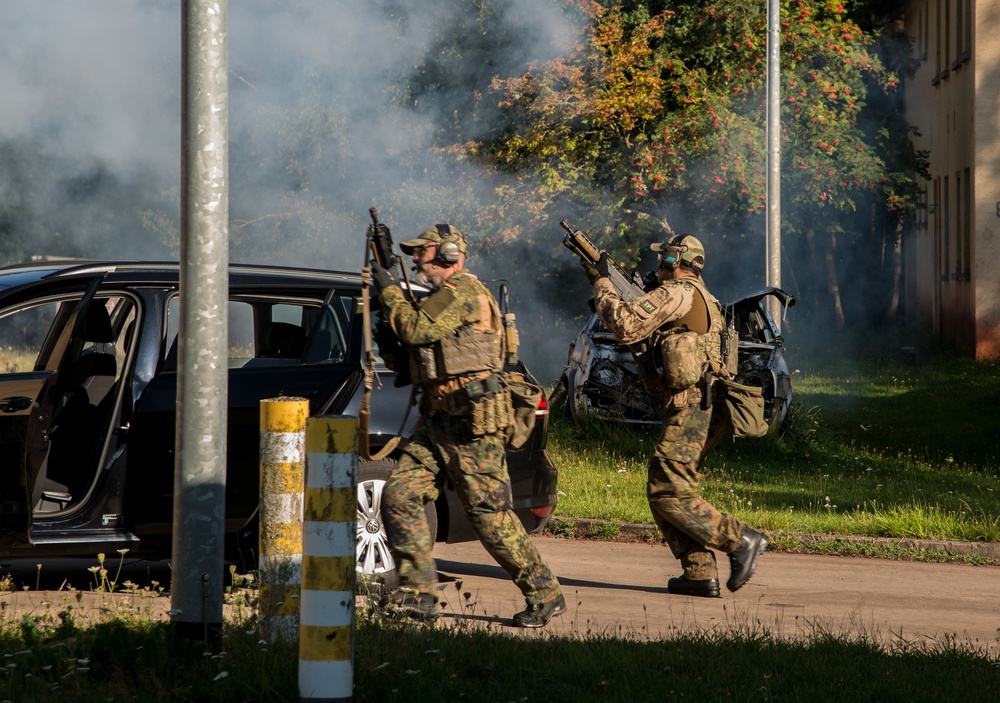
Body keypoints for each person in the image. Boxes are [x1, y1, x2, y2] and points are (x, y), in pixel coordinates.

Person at [369, 223, 566, 627]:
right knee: (401, 495)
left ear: (447, 254)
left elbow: (415, 327)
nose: (415, 261)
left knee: (489, 515)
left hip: (473, 425)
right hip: (439, 420)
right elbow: (413, 358)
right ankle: (417, 594)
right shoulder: (440, 298)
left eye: (420, 253)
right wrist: (384, 321)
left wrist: (389, 288)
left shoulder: (464, 293)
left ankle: (544, 592)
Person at [581, 234, 768, 598]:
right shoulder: (703, 297)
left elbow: (625, 324)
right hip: (702, 405)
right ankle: (698, 572)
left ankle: (740, 539)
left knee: (668, 490)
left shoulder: (679, 292)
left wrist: (602, 281)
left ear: (673, 260)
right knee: (664, 489)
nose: (658, 265)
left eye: (663, 258)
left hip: (695, 406)